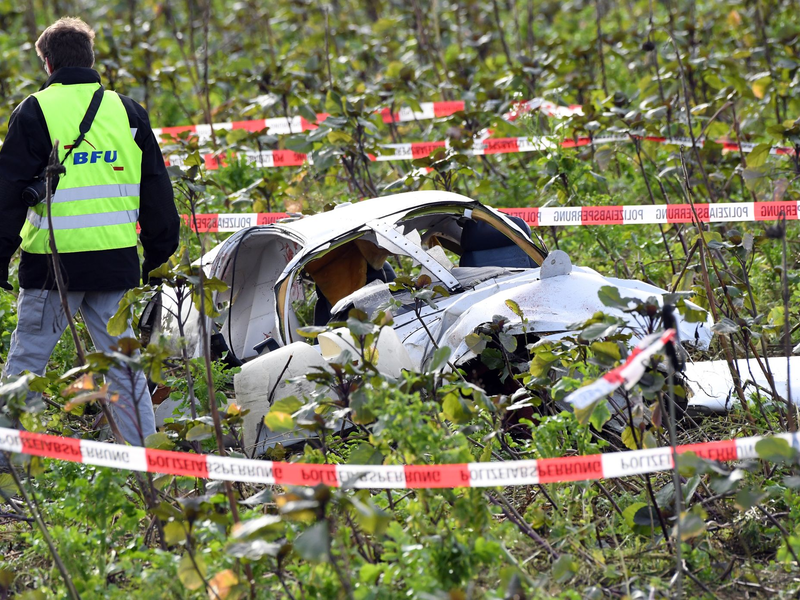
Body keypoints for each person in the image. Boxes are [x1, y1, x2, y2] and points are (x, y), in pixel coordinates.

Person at [0, 17, 180, 446]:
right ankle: (144, 464)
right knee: (124, 367)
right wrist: (157, 253)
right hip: (114, 262)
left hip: (51, 267)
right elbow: (156, 188)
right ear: (91, 57)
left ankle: (8, 462)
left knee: (27, 366)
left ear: (48, 62)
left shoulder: (34, 111)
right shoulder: (128, 111)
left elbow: (7, 195)